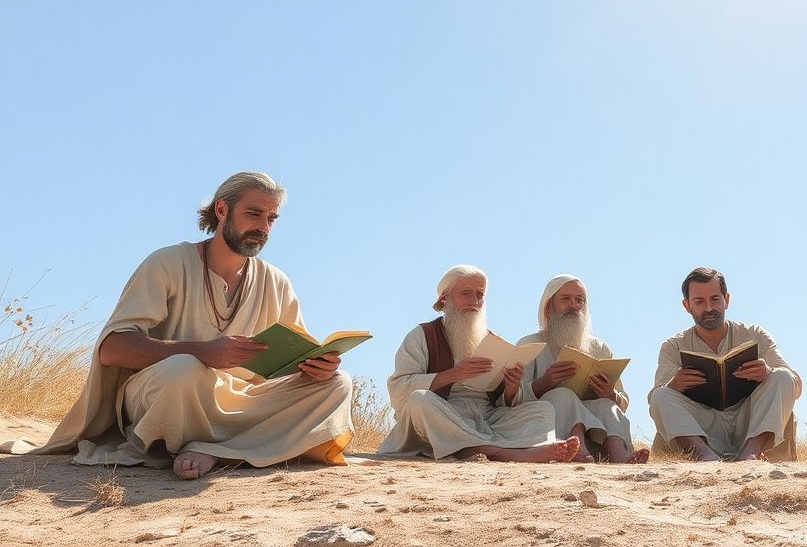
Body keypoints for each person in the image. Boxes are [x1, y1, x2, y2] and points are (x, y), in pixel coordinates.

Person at [20, 172, 354, 480]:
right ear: (222, 210)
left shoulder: (276, 281)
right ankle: (244, 446)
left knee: (338, 384)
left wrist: (315, 368)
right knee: (184, 369)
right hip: (172, 394)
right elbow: (111, 349)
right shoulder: (167, 263)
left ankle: (213, 451)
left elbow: (287, 365)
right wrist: (204, 352)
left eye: (271, 219)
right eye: (254, 214)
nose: (263, 228)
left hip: (242, 403)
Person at [377, 265, 580, 462]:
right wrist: (453, 374)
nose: (474, 301)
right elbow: (399, 389)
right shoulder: (422, 336)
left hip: (487, 418)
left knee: (542, 409)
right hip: (444, 414)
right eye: (466, 293)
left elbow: (504, 402)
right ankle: (501, 452)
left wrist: (511, 387)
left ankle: (477, 447)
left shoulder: (493, 340)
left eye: (480, 294)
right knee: (419, 400)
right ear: (445, 298)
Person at [649, 267, 801, 461]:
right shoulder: (673, 346)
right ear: (687, 305)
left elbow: (796, 385)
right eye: (699, 301)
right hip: (701, 426)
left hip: (749, 421)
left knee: (782, 376)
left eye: (715, 299)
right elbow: (655, 400)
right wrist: (674, 385)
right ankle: (705, 456)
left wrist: (768, 372)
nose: (709, 308)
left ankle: (751, 453)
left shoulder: (755, 334)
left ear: (726, 300)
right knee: (661, 394)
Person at [512, 274, 648, 464]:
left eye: (579, 300)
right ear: (548, 308)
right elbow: (512, 399)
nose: (574, 305)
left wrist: (610, 393)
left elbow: (622, 402)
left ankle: (620, 457)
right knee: (563, 395)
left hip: (595, 432)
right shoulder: (529, 344)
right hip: (546, 425)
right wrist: (544, 383)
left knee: (606, 405)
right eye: (565, 299)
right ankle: (577, 450)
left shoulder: (599, 348)